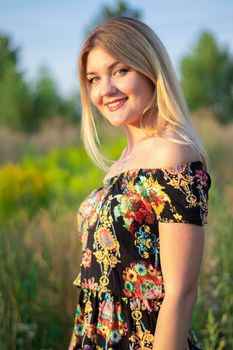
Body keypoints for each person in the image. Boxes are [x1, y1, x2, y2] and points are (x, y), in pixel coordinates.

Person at [68, 16, 212, 350]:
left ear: (149, 69)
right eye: (94, 79)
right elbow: (94, 291)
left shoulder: (172, 155)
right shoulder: (118, 166)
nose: (106, 90)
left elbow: (180, 292)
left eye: (120, 71)